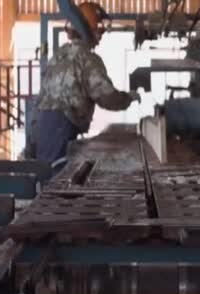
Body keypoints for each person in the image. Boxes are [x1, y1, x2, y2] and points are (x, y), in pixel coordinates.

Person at [33, 2, 141, 173]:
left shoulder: (59, 54)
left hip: (45, 123)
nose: (101, 35)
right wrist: (128, 98)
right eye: (99, 30)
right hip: (62, 125)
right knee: (57, 182)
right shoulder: (87, 58)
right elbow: (106, 96)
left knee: (48, 177)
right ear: (91, 29)